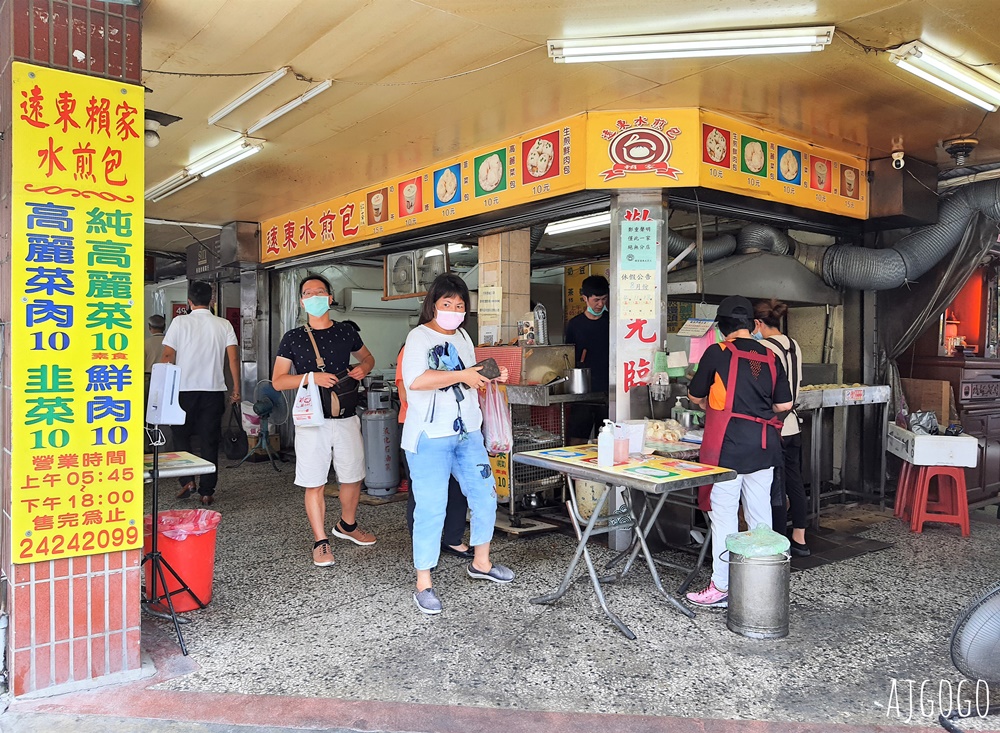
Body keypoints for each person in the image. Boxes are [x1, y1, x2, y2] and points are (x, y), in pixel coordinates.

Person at [401, 273, 512, 615]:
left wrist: (487, 375)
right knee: (431, 508)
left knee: (485, 495)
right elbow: (417, 381)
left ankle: (481, 562)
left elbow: (468, 374)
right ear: (433, 305)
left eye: (460, 305)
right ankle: (423, 583)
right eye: (446, 304)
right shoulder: (418, 337)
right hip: (429, 436)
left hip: (469, 433)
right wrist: (463, 375)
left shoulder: (464, 335)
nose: (453, 310)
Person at [684, 295, 793, 608]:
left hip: (728, 447)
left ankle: (722, 587)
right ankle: (762, 586)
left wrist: (710, 403)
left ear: (722, 328)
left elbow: (695, 394)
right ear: (751, 326)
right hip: (763, 446)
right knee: (760, 518)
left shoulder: (717, 352)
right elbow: (784, 405)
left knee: (725, 517)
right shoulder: (769, 356)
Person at [272, 274, 377, 567]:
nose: (314, 296)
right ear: (302, 301)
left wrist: (362, 369)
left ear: (330, 298)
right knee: (314, 481)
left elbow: (369, 358)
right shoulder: (292, 338)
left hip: (345, 416)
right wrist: (310, 377)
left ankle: (347, 525)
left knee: (353, 476)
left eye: (320, 291)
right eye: (308, 293)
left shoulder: (346, 332)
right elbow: (278, 381)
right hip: (311, 421)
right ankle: (320, 541)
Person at [160, 281, 240, 506]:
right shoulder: (223, 324)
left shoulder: (179, 322)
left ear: (189, 302)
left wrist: (162, 388)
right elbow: (233, 358)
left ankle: (187, 480)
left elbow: (168, 357)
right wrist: (236, 388)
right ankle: (207, 490)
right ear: (211, 301)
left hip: (183, 391)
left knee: (181, 436)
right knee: (209, 440)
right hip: (213, 391)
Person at [396, 345, 473, 560]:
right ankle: (422, 548)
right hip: (420, 428)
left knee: (457, 486)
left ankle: (453, 539)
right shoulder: (412, 348)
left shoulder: (456, 346)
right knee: (423, 490)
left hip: (453, 426)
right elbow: (404, 392)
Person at [754, 299, 810, 557]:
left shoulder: (761, 348)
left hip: (773, 426)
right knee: (794, 481)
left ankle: (777, 541)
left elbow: (759, 387)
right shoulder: (794, 344)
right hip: (793, 424)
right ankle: (799, 537)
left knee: (775, 487)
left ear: (757, 323)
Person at [565, 275, 609, 444]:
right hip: (582, 391)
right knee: (577, 436)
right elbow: (568, 356)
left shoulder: (610, 323)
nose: (600, 304)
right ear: (585, 298)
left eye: (604, 299)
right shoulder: (575, 325)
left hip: (607, 391)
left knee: (606, 436)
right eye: (596, 300)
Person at [144, 314, 166, 401]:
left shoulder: (145, 343)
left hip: (148, 378)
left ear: (150, 327)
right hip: (166, 377)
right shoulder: (170, 342)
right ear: (164, 327)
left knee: (148, 404)